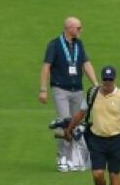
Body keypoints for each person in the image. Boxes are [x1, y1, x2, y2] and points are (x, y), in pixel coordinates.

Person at [39, 16, 99, 172]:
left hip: (77, 89)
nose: (80, 31)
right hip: (61, 89)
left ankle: (73, 157)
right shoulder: (55, 44)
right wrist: (43, 89)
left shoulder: (79, 44)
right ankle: (62, 157)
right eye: (78, 28)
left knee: (76, 126)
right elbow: (46, 67)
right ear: (69, 28)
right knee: (64, 123)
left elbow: (86, 64)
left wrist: (96, 84)